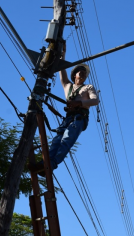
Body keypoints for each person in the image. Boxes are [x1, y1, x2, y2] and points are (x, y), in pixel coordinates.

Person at [29, 42, 100, 176]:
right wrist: (63, 53)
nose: (83, 74)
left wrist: (79, 103)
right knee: (56, 141)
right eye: (81, 72)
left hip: (79, 118)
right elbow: (62, 69)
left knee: (66, 140)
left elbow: (95, 101)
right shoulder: (67, 85)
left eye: (85, 73)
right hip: (68, 118)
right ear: (75, 75)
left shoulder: (88, 87)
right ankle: (45, 163)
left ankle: (52, 164)